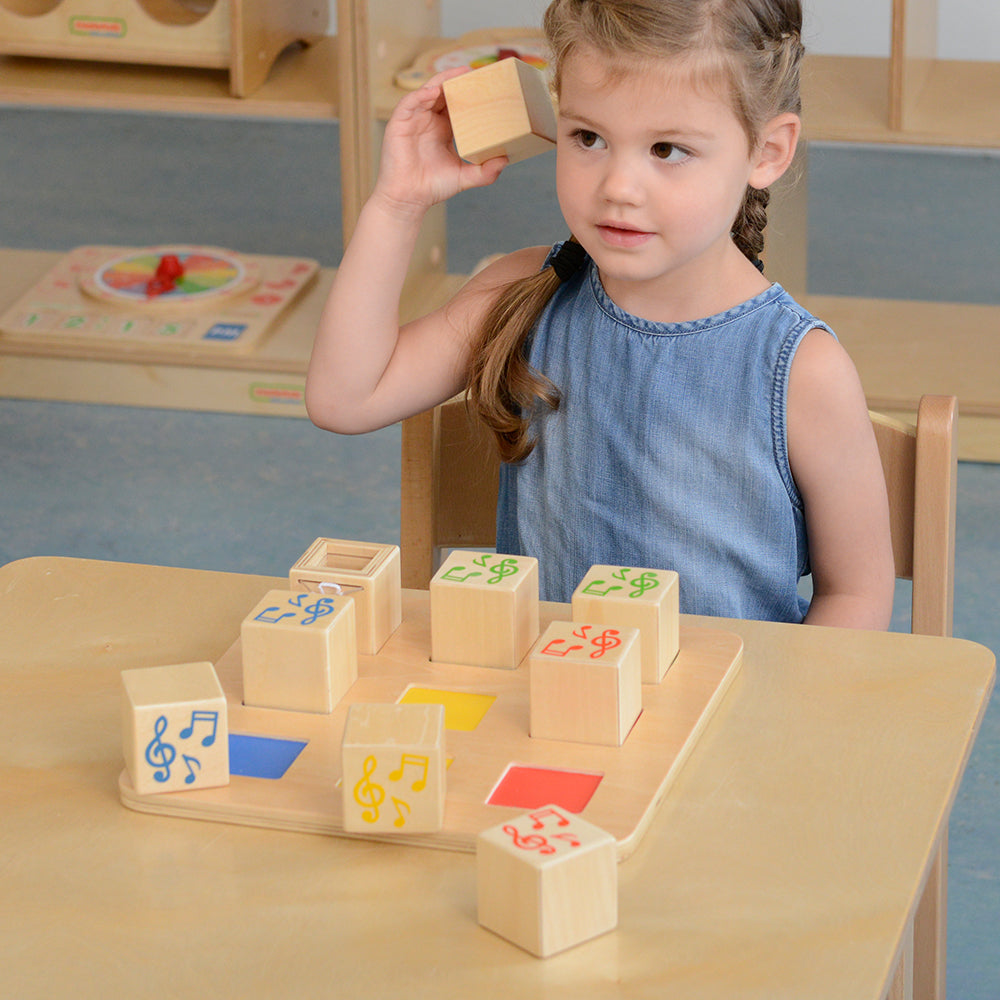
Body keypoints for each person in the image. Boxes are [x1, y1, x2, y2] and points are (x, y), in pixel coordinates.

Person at [306, 0, 895, 629]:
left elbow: (855, 594)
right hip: (542, 706)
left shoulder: (803, 369)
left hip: (730, 712)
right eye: (589, 137)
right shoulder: (523, 290)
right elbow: (345, 398)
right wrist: (398, 203)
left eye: (667, 149)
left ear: (767, 151)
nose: (618, 185)